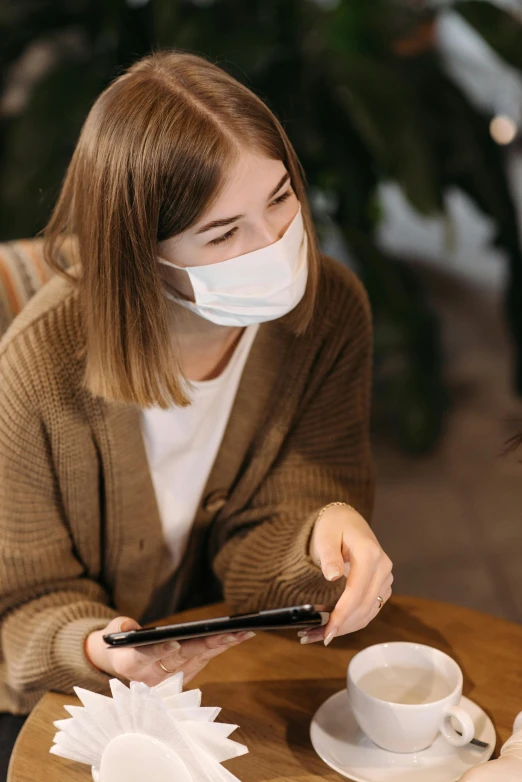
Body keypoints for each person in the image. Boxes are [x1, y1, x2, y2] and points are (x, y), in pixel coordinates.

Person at [0, 49, 392, 731]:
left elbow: (274, 533)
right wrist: (99, 650)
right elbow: (21, 604)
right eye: (221, 233)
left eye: (278, 199)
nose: (273, 244)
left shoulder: (329, 313)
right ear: (139, 250)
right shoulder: (39, 371)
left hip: (229, 661)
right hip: (70, 702)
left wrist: (320, 531)